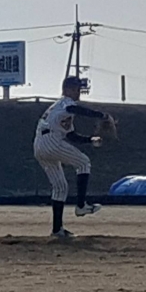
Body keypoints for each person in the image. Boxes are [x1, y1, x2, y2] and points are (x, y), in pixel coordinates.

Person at [33, 76, 111, 238]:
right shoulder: (65, 103)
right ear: (67, 90)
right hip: (51, 141)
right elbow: (76, 109)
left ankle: (57, 230)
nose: (78, 93)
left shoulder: (59, 110)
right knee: (84, 163)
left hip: (40, 145)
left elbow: (71, 136)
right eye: (76, 89)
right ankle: (81, 205)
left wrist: (90, 140)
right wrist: (101, 115)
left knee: (60, 187)